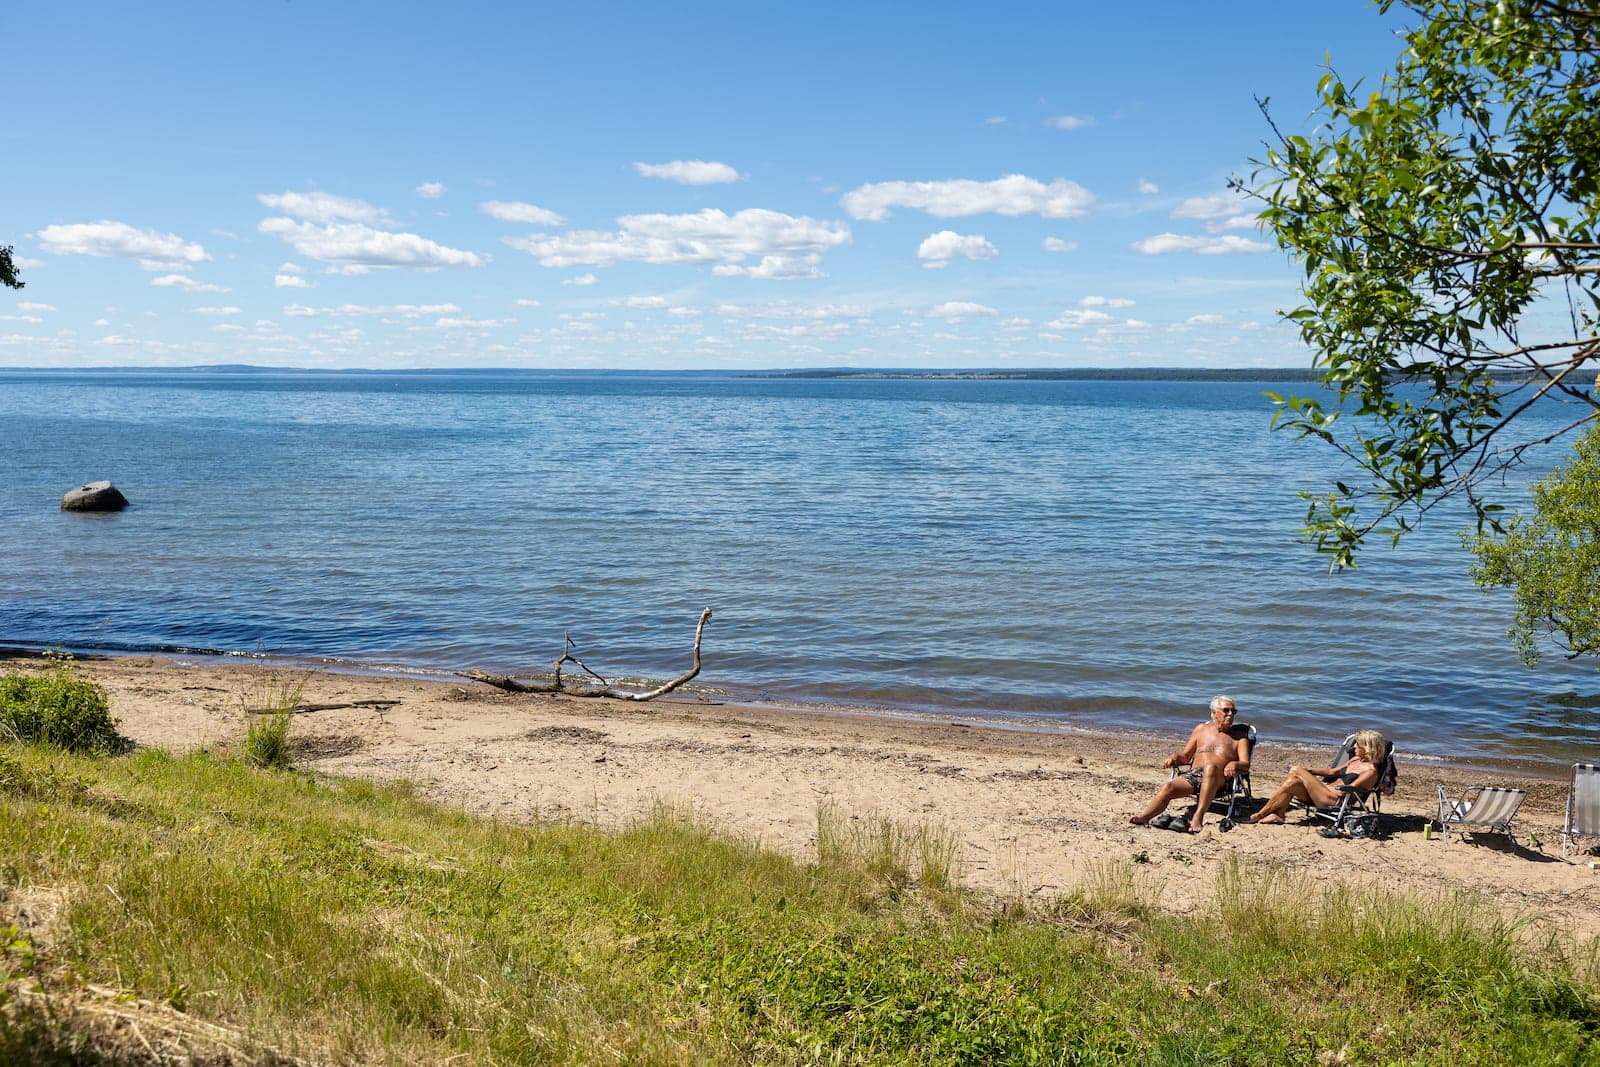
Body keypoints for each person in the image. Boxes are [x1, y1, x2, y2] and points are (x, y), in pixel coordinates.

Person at [1129, 695, 1251, 834]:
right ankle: (1145, 817)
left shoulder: (1240, 738)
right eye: (1226, 710)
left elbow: (1245, 765)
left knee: (1210, 767)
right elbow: (1186, 757)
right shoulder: (1201, 729)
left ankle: (1198, 815)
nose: (1230, 714)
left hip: (1220, 778)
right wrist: (1175, 757)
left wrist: (1236, 764)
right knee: (1169, 786)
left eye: (1233, 711)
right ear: (1213, 712)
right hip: (1195, 776)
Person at [1247, 729, 1387, 825]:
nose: (1354, 746)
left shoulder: (1370, 772)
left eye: (1358, 744)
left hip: (1333, 800)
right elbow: (1332, 773)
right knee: (1292, 782)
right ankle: (1279, 814)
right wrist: (1309, 770)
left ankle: (1260, 814)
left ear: (1368, 748)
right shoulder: (1355, 760)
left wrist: (1303, 773)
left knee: (1296, 770)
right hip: (1322, 793)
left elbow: (1347, 790)